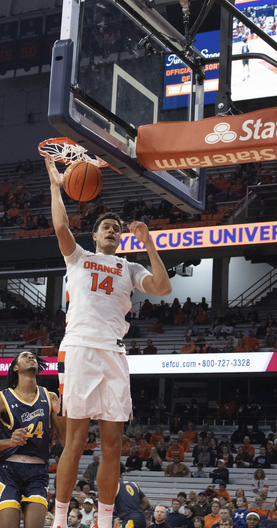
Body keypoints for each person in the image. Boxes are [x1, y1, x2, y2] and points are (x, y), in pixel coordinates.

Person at [45, 154, 171, 528]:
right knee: (75, 440)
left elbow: (163, 287)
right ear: (95, 235)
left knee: (113, 444)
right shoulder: (78, 257)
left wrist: (149, 243)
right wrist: (57, 186)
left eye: (117, 228)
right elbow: (59, 224)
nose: (113, 231)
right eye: (106, 228)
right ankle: (62, 519)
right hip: (81, 346)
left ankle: (102, 520)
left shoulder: (130, 268)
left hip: (114, 351)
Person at [0, 351, 59, 528]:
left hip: (37, 470)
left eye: (33, 356)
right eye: (25, 356)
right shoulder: (0, 399)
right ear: (15, 367)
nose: (31, 357)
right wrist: (10, 442)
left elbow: (65, 439)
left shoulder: (50, 397)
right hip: (8, 470)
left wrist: (60, 414)